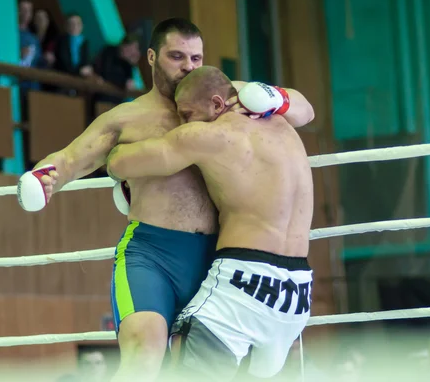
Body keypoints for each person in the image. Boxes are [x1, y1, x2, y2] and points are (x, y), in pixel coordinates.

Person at [25, 19, 313, 382]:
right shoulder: (127, 118)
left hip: (221, 259)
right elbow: (70, 158)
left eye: (196, 57)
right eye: (177, 56)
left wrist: (275, 97)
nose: (188, 66)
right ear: (151, 56)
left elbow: (303, 110)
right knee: (144, 359)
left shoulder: (233, 96)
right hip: (154, 254)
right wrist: (43, 177)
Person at [106, 66, 315, 381]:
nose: (183, 122)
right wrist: (275, 96)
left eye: (187, 113)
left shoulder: (209, 135)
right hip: (297, 295)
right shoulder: (283, 122)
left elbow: (120, 161)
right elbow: (307, 109)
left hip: (242, 286)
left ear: (217, 104)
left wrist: (124, 170)